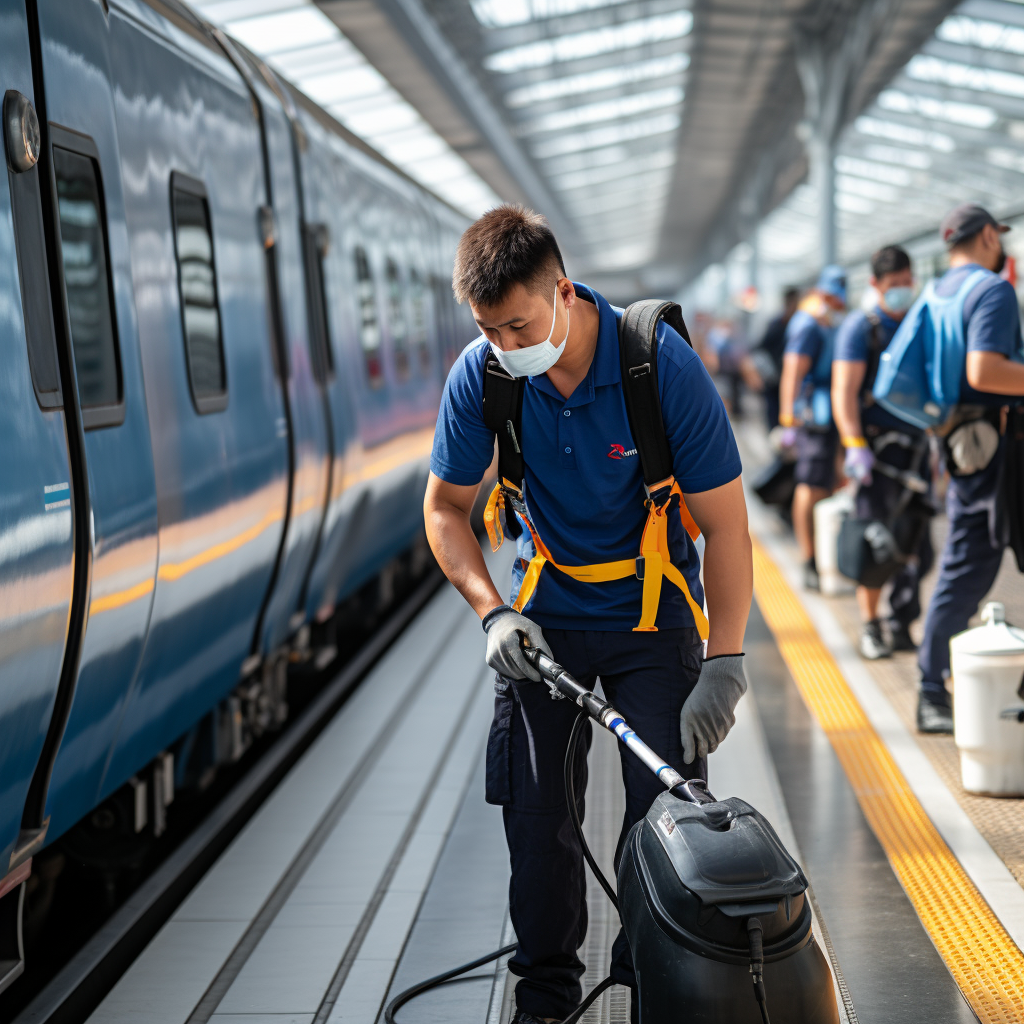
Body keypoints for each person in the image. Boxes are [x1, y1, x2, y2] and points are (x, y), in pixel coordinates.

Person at [423, 205, 753, 1024]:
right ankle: (544, 1001)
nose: (505, 345)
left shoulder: (657, 366)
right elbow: (443, 510)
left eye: (518, 325)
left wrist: (725, 659)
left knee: (665, 829)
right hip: (543, 627)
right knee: (537, 829)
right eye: (488, 329)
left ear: (563, 292)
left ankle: (650, 985)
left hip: (654, 622)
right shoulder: (485, 374)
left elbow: (726, 526)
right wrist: (493, 613)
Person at [913, 204, 1024, 733]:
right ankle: (933, 685)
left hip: (960, 444)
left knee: (964, 567)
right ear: (985, 237)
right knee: (966, 565)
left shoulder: (936, 292)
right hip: (998, 447)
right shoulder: (992, 289)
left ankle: (932, 686)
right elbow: (986, 368)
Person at [831, 245, 934, 660]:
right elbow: (844, 391)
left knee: (916, 543)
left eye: (907, 283)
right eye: (894, 286)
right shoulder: (862, 328)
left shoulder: (918, 322)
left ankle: (902, 620)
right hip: (877, 455)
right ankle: (870, 626)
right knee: (875, 542)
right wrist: (854, 445)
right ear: (875, 285)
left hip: (919, 451)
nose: (902, 292)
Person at [778, 266, 848, 590]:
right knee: (810, 485)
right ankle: (808, 558)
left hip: (830, 411)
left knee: (829, 484)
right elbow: (792, 371)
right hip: (813, 415)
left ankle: (824, 555)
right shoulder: (808, 324)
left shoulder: (828, 322)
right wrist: (787, 419)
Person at [751, 286, 800, 430]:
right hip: (774, 383)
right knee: (775, 422)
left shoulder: (799, 325)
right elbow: (759, 349)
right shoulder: (777, 325)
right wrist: (767, 374)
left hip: (792, 381)